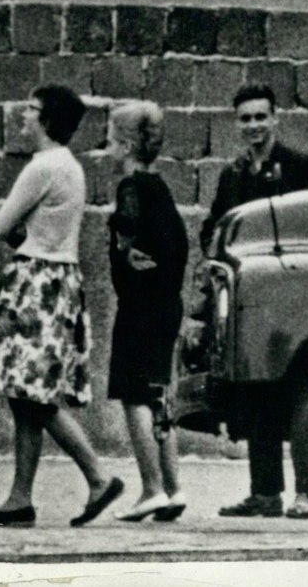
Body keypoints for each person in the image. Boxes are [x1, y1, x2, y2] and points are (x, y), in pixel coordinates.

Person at [0, 85, 125, 528]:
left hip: (35, 281)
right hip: (60, 281)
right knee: (26, 395)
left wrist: (24, 240)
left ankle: (97, 476)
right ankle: (20, 498)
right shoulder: (70, 166)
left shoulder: (42, 167)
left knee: (32, 395)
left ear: (49, 120)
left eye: (33, 110)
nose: (25, 115)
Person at [201, 82, 308, 519]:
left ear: (275, 118)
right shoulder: (232, 175)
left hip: (297, 302)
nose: (253, 125)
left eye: (261, 116)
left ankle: (307, 493)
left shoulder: (302, 167)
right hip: (249, 304)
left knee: (301, 394)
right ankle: (265, 493)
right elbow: (212, 230)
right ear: (236, 124)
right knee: (257, 394)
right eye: (245, 118)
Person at [105, 101, 188, 522]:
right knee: (158, 392)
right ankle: (172, 486)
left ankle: (151, 487)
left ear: (125, 145)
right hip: (166, 304)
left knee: (134, 392)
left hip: (139, 306)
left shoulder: (131, 188)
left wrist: (124, 251)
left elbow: (127, 232)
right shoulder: (162, 188)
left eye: (110, 140)